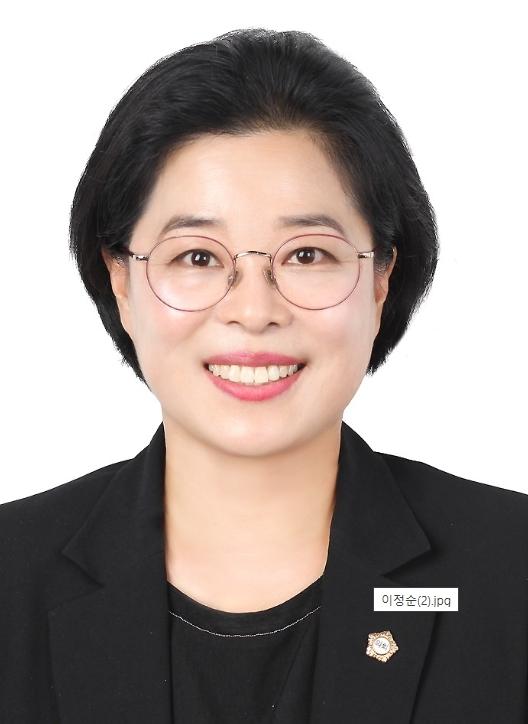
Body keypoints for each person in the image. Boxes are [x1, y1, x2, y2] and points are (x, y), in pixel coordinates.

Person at [1, 27, 527, 724]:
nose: (253, 312)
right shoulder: (11, 576)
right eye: (197, 257)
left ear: (380, 279)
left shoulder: (511, 571)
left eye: (307, 255)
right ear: (121, 281)